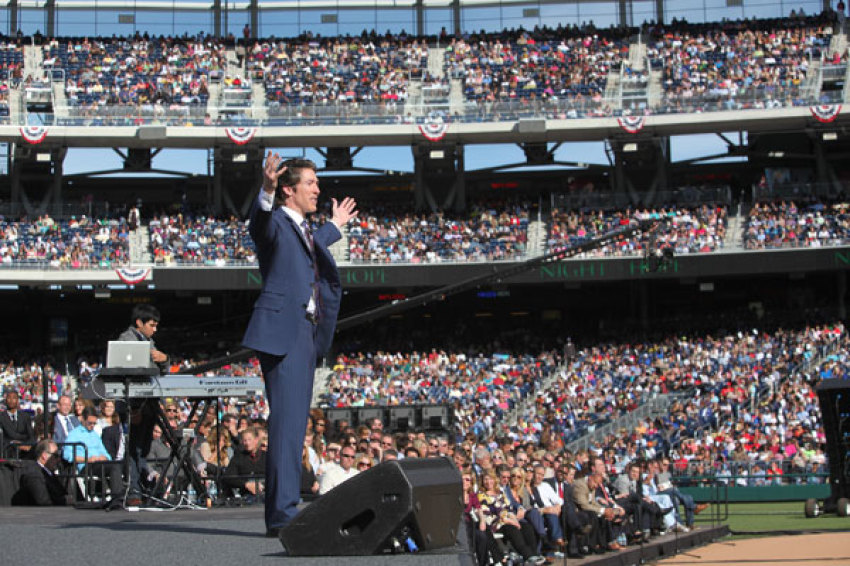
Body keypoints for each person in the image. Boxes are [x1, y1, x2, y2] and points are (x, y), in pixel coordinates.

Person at [242, 153, 357, 537]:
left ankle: (284, 511)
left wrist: (335, 226)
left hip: (304, 334)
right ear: (289, 189)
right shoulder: (274, 220)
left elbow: (310, 248)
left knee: (294, 427)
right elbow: (259, 224)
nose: (318, 189)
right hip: (283, 333)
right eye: (311, 183)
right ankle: (283, 515)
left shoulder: (304, 230)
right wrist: (266, 190)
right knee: (288, 427)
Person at [118, 304, 169, 501]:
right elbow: (132, 371)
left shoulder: (149, 341)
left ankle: (144, 489)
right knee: (134, 449)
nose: (154, 329)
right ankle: (133, 491)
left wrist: (164, 359)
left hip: (149, 403)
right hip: (135, 403)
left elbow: (161, 369)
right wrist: (134, 408)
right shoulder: (127, 339)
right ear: (139, 323)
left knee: (144, 449)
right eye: (152, 325)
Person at [63, 407, 125, 509]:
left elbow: (105, 453)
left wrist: (104, 457)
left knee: (121, 465)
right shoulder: (74, 434)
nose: (92, 426)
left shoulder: (94, 434)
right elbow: (67, 455)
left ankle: (126, 495)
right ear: (82, 419)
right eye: (89, 423)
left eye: (94, 423)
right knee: (114, 467)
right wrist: (87, 459)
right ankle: (117, 498)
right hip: (86, 465)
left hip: (99, 463)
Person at [14, 439, 72, 506]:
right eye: (55, 455)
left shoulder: (49, 473)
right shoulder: (34, 475)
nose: (58, 459)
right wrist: (65, 500)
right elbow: (44, 502)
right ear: (44, 456)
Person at [1, 390, 35, 457]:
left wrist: (25, 444)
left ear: (17, 400)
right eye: (9, 398)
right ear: (5, 400)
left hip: (24, 452)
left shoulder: (25, 416)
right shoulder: (1, 417)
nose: (11, 400)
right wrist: (13, 443)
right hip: (7, 452)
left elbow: (31, 436)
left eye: (14, 398)